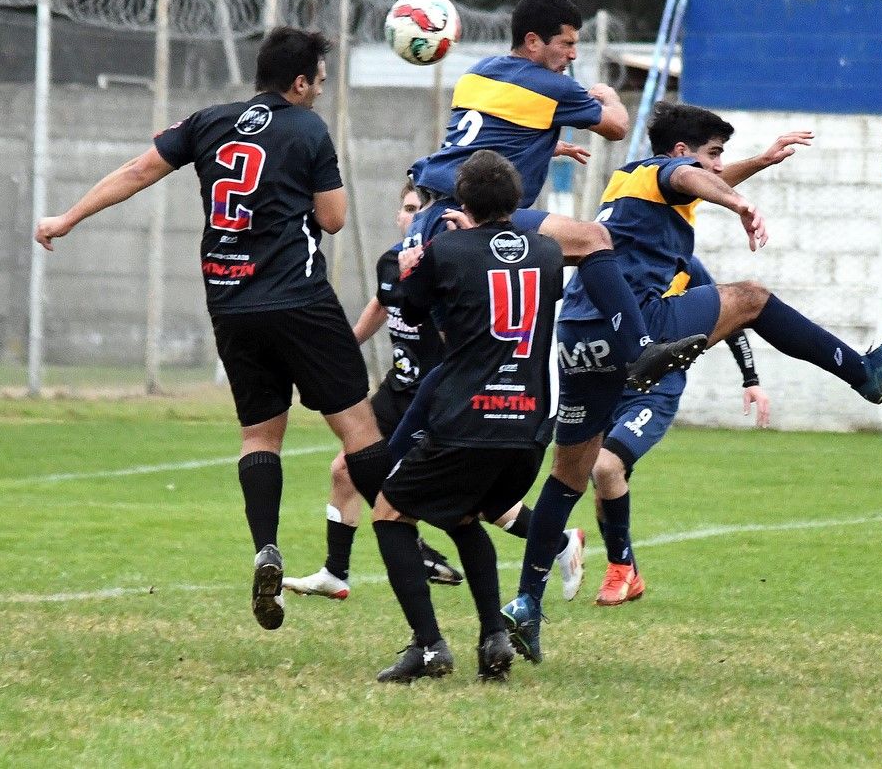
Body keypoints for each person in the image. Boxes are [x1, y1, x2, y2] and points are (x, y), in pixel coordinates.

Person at [501, 102, 882, 662]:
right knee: (753, 298)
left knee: (569, 474)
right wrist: (740, 203)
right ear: (681, 151)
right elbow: (689, 177)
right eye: (713, 153)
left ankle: (527, 603)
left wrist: (759, 163)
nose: (718, 166)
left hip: (579, 334)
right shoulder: (665, 172)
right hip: (636, 325)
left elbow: (698, 180)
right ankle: (863, 372)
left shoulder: (632, 183)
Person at [34, 28, 398, 631]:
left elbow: (138, 170)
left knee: (259, 436)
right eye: (318, 82)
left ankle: (266, 549)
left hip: (231, 302)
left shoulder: (209, 121)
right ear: (299, 82)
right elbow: (333, 219)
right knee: (359, 431)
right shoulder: (308, 129)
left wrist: (67, 218)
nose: (319, 92)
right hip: (300, 300)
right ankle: (402, 530)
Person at [404, 0, 706, 393]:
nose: (573, 55)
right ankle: (639, 350)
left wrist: (546, 143)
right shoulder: (551, 86)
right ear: (533, 41)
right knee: (594, 239)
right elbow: (617, 127)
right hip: (474, 218)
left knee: (461, 362)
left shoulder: (478, 74)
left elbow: (484, 138)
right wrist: (610, 97)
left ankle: (406, 434)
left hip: (431, 219)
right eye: (566, 43)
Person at [370, 149, 563, 683]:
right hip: (527, 427)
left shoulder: (447, 249)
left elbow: (409, 305)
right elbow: (502, 272)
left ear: (462, 202)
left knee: (389, 513)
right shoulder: (549, 252)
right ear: (516, 201)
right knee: (463, 516)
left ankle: (430, 645)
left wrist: (417, 261)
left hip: (467, 418)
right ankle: (493, 637)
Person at [282, 181, 462, 600]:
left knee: (463, 498)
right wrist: (341, 350)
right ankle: (336, 572)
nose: (413, 218)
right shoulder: (390, 262)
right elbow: (381, 304)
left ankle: (553, 540)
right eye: (408, 209)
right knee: (345, 469)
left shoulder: (447, 266)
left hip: (434, 396)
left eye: (421, 210)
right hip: (397, 390)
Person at [589, 258, 769, 606]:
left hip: (655, 393)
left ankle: (619, 569)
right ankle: (627, 572)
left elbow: (730, 318)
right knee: (604, 485)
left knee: (607, 466)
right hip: (607, 389)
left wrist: (751, 378)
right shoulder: (602, 259)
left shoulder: (682, 264)